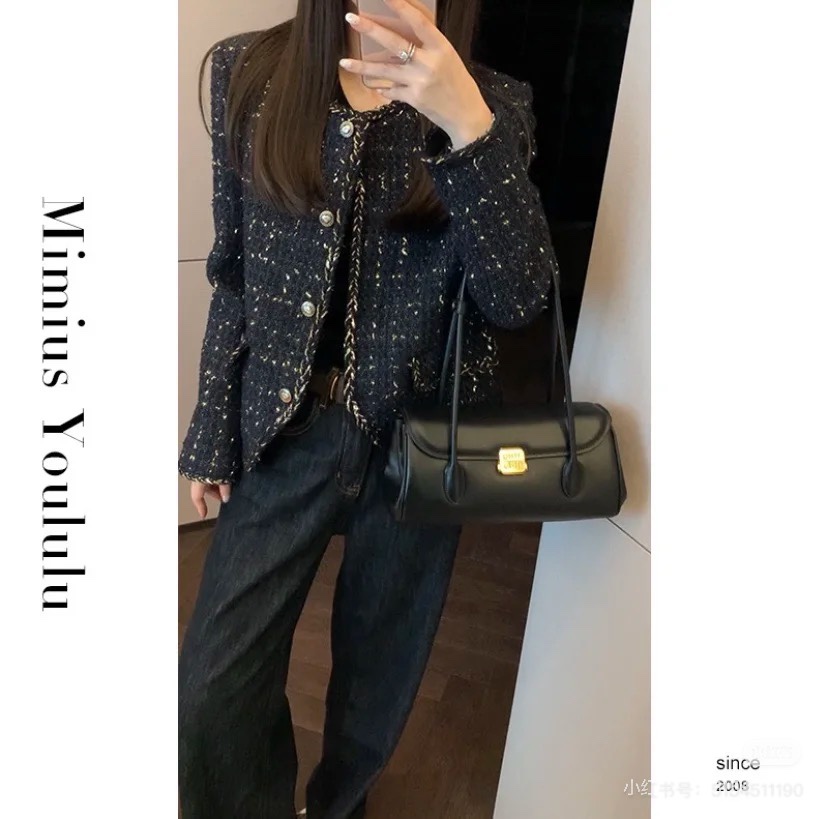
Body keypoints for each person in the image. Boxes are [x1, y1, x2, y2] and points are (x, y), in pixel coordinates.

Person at [177, 0, 555, 816]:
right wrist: (210, 430)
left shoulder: (494, 102)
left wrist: (467, 126)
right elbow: (233, 273)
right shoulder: (248, 74)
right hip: (285, 431)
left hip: (421, 452)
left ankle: (339, 805)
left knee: (374, 690)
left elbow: (520, 296)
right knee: (212, 687)